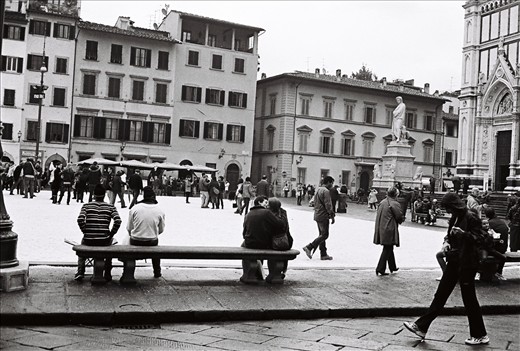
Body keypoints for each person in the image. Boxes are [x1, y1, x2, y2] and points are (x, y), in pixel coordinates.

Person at [403, 192, 489, 346]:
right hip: (455, 260)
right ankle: (421, 327)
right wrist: (446, 242)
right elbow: (449, 235)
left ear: (455, 205)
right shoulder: (455, 217)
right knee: (441, 294)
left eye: (449, 208)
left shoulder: (472, 217)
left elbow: (481, 238)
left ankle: (480, 335)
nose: (449, 212)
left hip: (467, 263)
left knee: (469, 299)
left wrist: (464, 235)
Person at [75, 184, 121, 282]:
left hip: (89, 240)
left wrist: (85, 231)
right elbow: (118, 220)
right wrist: (111, 234)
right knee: (109, 250)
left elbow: (80, 219)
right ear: (104, 195)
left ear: (94, 195)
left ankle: (80, 272)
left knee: (82, 250)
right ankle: (107, 273)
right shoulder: (110, 207)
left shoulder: (86, 206)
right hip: (104, 240)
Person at [123, 186, 165, 281]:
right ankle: (157, 271)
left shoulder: (135, 208)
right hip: (152, 241)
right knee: (155, 249)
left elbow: (129, 228)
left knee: (127, 243)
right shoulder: (159, 211)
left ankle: (128, 271)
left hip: (136, 240)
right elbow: (161, 230)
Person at [241, 195, 285, 283]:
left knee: (243, 246)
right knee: (272, 248)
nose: (267, 205)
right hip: (263, 243)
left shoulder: (248, 214)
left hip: (250, 243)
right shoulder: (266, 213)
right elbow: (280, 225)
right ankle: (273, 273)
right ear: (259, 203)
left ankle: (249, 273)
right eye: (265, 203)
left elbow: (244, 233)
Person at [302, 176, 335, 260]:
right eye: (331, 183)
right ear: (328, 182)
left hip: (317, 214)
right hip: (323, 215)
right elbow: (328, 204)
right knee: (325, 235)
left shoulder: (318, 189)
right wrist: (332, 215)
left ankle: (323, 254)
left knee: (321, 235)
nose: (332, 185)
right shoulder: (326, 191)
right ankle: (309, 247)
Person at [373, 187, 404, 276]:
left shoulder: (383, 202)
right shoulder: (394, 203)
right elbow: (398, 216)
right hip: (389, 228)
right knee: (387, 248)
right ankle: (380, 268)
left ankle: (392, 266)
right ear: (396, 195)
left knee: (389, 247)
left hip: (381, 227)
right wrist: (402, 219)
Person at [268, 197, 294, 279]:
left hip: (274, 242)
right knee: (282, 252)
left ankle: (273, 272)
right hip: (286, 241)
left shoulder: (269, 214)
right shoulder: (283, 213)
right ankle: (281, 271)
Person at [483, 207, 509, 280]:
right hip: (504, 247)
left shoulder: (489, 223)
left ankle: (482, 272)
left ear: (486, 215)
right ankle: (498, 272)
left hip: (496, 248)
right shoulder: (501, 222)